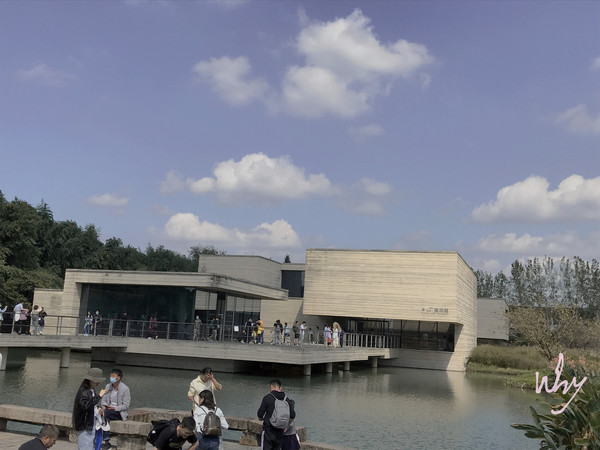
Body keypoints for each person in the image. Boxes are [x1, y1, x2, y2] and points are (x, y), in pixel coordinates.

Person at [72, 367, 107, 450]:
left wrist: (98, 409)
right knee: (85, 447)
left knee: (89, 446)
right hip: (84, 425)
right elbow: (86, 406)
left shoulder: (91, 390)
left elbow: (91, 405)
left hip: (90, 424)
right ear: (90, 380)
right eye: (97, 380)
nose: (98, 382)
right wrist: (99, 396)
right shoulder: (84, 391)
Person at [257, 379, 296, 450]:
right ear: (280, 387)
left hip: (268, 430)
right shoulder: (286, 399)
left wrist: (261, 419)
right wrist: (286, 425)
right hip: (280, 431)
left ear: (271, 386)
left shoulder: (267, 398)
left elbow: (260, 414)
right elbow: (292, 415)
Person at [100, 368, 131, 449]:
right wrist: (104, 407)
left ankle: (106, 441)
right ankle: (102, 439)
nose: (111, 378)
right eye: (111, 376)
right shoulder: (108, 386)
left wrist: (114, 408)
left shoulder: (125, 389)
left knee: (105, 415)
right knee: (98, 412)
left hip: (119, 412)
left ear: (119, 378)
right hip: (107, 410)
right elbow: (103, 400)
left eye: (113, 376)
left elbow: (126, 406)